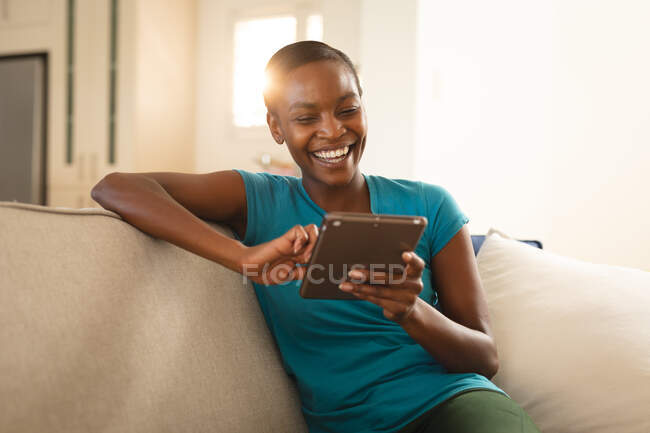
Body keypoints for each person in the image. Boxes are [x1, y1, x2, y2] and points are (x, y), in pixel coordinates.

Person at [91, 41, 541, 433]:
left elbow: (484, 358)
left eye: (348, 109)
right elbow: (115, 187)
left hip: (455, 406)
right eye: (307, 117)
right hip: (348, 424)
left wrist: (411, 310)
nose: (333, 130)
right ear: (276, 127)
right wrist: (243, 258)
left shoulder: (430, 204)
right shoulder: (258, 199)